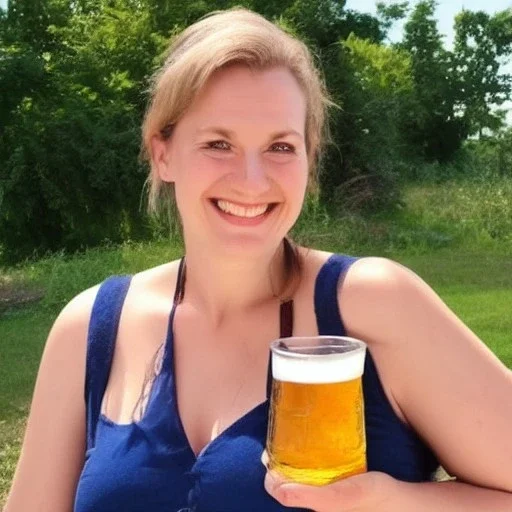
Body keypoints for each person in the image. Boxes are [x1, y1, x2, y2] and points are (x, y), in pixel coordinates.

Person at [4, 7, 512, 512]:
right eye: (219, 143)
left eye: (280, 146)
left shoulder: (374, 304)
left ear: (309, 157)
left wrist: (392, 503)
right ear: (163, 154)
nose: (251, 180)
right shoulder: (91, 328)